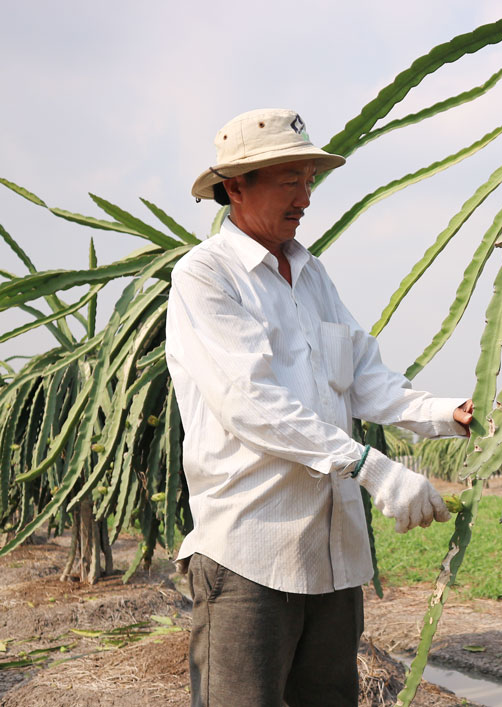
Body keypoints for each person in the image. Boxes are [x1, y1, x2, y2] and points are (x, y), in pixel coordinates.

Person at [165, 108, 473, 707]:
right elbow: (250, 404)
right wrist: (373, 468)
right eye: (289, 180)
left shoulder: (313, 277)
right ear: (235, 188)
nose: (305, 197)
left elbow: (364, 377)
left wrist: (446, 412)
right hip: (250, 552)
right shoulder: (205, 276)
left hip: (331, 559)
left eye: (309, 179)